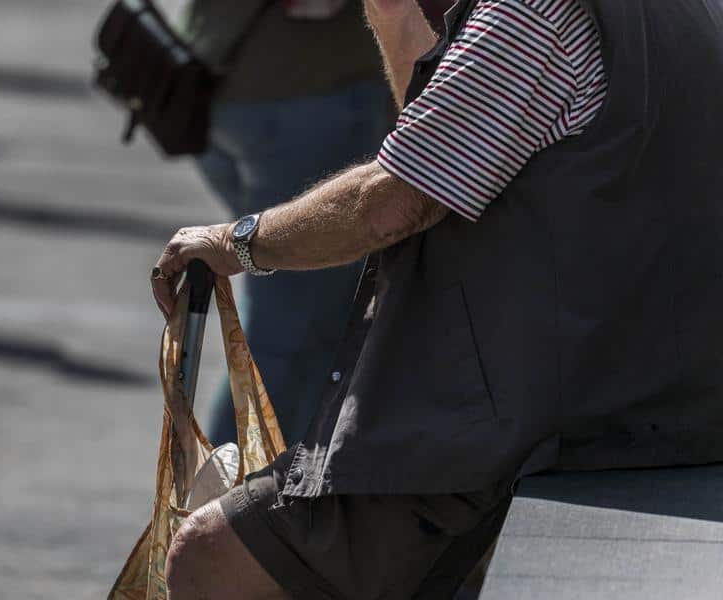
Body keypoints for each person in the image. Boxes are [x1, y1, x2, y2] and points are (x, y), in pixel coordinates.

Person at [150, 0, 723, 598]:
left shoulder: (534, 15)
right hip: (644, 394)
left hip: (545, 418)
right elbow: (443, 163)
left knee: (211, 554)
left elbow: (393, 202)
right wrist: (397, 19)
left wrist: (237, 242)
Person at [178, 1, 389, 444]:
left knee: (308, 330)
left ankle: (262, 500)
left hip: (233, 78)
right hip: (305, 93)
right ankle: (221, 507)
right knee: (295, 337)